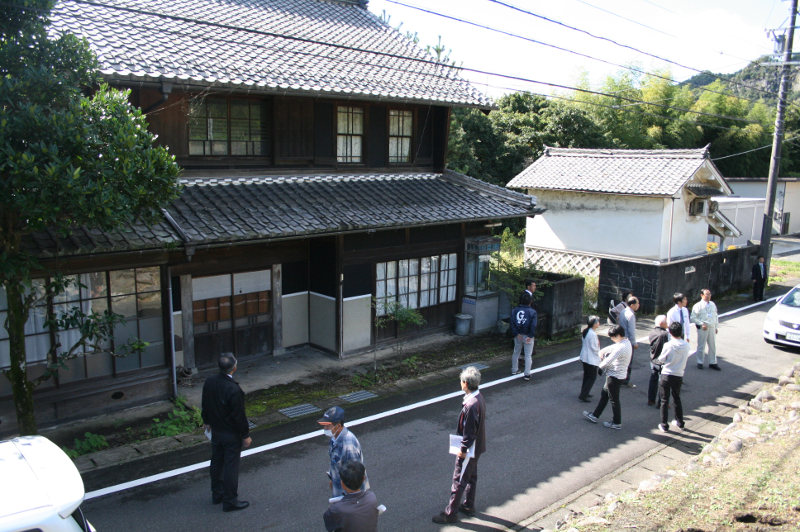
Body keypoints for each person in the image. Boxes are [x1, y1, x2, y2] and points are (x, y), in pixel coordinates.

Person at [432, 366, 487, 524]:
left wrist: (462, 450)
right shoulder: (479, 398)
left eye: (461, 381)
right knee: (471, 476)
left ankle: (451, 514)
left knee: (459, 479)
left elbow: (469, 433)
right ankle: (469, 505)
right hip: (478, 446)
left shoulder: (471, 405)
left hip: (470, 449)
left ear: (466, 383)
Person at [201, 353, 252, 512]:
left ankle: (217, 494)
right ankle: (230, 500)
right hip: (230, 433)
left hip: (215, 430)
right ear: (234, 368)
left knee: (217, 461)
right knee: (230, 466)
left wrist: (206, 420)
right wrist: (245, 435)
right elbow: (239, 416)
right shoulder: (233, 389)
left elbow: (205, 403)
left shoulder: (210, 381)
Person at [583, 325, 632, 430]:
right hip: (620, 376)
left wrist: (600, 364)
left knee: (614, 400)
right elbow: (613, 347)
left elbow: (608, 360)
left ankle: (616, 422)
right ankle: (595, 415)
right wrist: (603, 351)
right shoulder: (626, 342)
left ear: (618, 335)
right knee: (605, 394)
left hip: (614, 377)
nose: (612, 339)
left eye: (613, 337)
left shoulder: (620, 347)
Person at [318, 407, 369, 498]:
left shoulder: (349, 447)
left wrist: (353, 502)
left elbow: (355, 478)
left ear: (338, 425)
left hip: (348, 498)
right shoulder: (334, 438)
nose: (325, 428)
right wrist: (333, 480)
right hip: (340, 493)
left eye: (327, 425)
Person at [323, 461, 379, 532]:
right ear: (363, 479)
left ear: (342, 484)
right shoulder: (371, 497)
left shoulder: (336, 509)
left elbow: (330, 525)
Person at [657, 322, 691, 432]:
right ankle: (680, 422)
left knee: (664, 400)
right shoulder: (686, 345)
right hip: (678, 374)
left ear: (670, 332)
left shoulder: (668, 345)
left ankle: (664, 424)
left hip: (666, 374)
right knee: (677, 398)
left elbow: (661, 359)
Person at [510, 292, 537, 381]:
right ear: (530, 301)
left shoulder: (514, 310)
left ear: (521, 300)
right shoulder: (532, 312)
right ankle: (527, 374)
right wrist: (530, 335)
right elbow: (533, 325)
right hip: (527, 335)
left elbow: (512, 323)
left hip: (518, 335)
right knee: (528, 354)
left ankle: (514, 369)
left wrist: (516, 333)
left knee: (516, 351)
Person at [691, 289, 720, 370]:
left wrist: (716, 327)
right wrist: (701, 323)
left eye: (709, 294)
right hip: (703, 328)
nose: (708, 296)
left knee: (712, 345)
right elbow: (693, 318)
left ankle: (712, 362)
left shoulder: (713, 304)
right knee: (701, 345)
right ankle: (700, 362)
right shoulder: (698, 305)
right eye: (706, 294)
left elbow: (716, 316)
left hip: (712, 327)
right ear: (701, 295)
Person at [648, 315, 670, 407]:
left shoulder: (652, 332)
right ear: (661, 323)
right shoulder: (665, 334)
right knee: (663, 382)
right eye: (666, 322)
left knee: (653, 379)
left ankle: (651, 399)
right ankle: (662, 402)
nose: (668, 323)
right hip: (662, 361)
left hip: (653, 359)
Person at [578, 315, 601, 402]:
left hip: (585, 357)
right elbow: (595, 348)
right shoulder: (593, 334)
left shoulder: (586, 331)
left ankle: (584, 392)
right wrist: (600, 355)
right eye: (597, 322)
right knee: (592, 377)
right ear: (594, 323)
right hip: (591, 359)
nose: (599, 323)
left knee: (587, 376)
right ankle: (584, 394)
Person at [618, 296, 639, 387]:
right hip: (628, 341)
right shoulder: (631, 315)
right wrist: (634, 343)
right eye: (637, 303)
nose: (639, 305)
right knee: (628, 362)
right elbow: (631, 330)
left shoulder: (623, 311)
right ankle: (625, 381)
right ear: (633, 305)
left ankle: (619, 378)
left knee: (621, 360)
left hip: (620, 339)